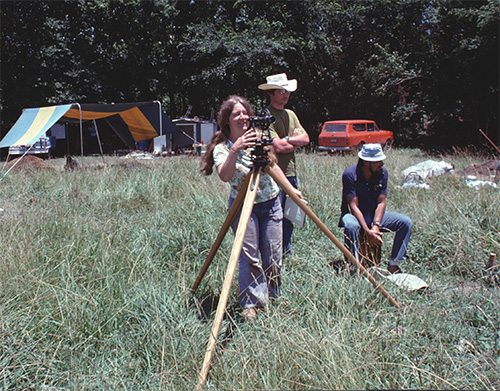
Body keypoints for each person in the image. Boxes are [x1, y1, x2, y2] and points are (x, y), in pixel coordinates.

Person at [201, 95, 302, 320]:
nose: (243, 117)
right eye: (237, 114)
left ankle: (275, 296)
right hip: (243, 205)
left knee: (274, 255)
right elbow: (225, 176)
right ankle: (251, 303)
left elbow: (272, 167)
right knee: (249, 256)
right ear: (227, 120)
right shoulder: (223, 147)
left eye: (245, 113)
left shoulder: (259, 138)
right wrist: (235, 149)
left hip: (271, 202)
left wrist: (291, 191)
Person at [339, 143, 412, 274]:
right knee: (351, 226)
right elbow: (353, 206)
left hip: (372, 214)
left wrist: (376, 226)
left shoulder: (382, 173)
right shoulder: (350, 174)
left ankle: (394, 264)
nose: (382, 163)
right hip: (353, 214)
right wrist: (367, 231)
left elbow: (381, 202)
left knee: (405, 223)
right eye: (378, 161)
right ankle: (354, 266)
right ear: (367, 162)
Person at [258, 73, 310, 255]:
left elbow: (306, 138)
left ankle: (286, 250)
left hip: (291, 173)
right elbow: (277, 146)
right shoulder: (266, 116)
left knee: (290, 215)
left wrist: (288, 140)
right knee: (275, 216)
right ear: (271, 94)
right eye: (281, 91)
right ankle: (273, 252)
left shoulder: (291, 114)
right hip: (274, 174)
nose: (285, 94)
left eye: (287, 91)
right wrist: (293, 139)